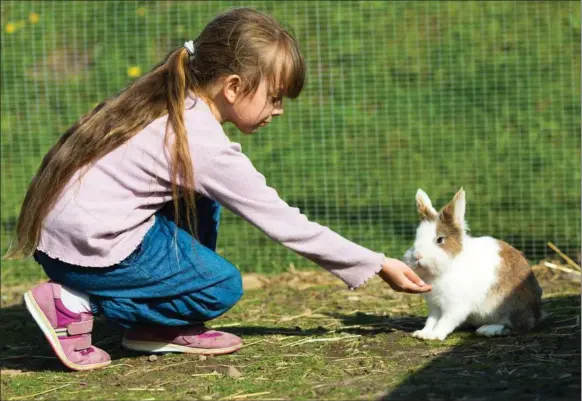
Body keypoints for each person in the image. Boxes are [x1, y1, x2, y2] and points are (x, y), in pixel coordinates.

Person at [4, 7, 431, 371]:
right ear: (232, 87)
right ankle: (75, 303)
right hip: (88, 254)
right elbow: (284, 222)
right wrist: (375, 263)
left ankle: (157, 327)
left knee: (202, 198)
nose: (278, 111)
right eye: (275, 98)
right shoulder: (202, 144)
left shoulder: (170, 97)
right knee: (219, 286)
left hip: (65, 239)